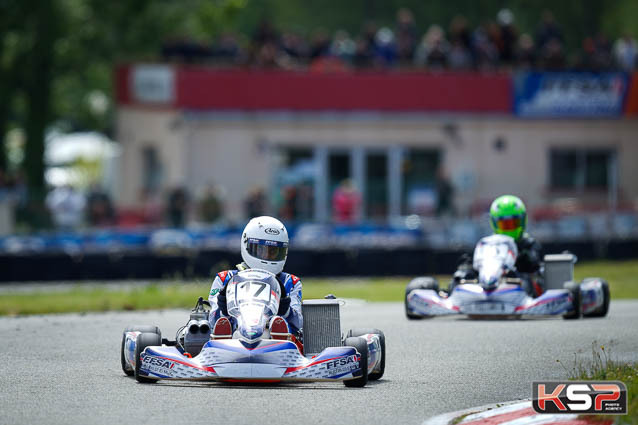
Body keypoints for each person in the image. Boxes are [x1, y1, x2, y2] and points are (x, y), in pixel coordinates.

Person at [208, 216, 303, 346]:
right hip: (234, 336)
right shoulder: (225, 279)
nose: (266, 256)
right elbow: (212, 318)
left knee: (282, 323)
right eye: (261, 250)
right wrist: (222, 309)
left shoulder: (290, 282)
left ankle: (278, 331)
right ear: (246, 244)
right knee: (221, 321)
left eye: (273, 252)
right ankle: (225, 332)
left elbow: (298, 322)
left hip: (277, 343)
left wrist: (285, 309)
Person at [450, 195, 543, 297]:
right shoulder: (490, 244)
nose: (509, 228)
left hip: (518, 282)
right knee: (463, 275)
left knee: (525, 280)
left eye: (512, 224)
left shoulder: (529, 243)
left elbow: (534, 263)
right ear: (494, 223)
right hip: (491, 280)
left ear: (522, 221)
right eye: (504, 225)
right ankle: (455, 295)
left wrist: (523, 257)